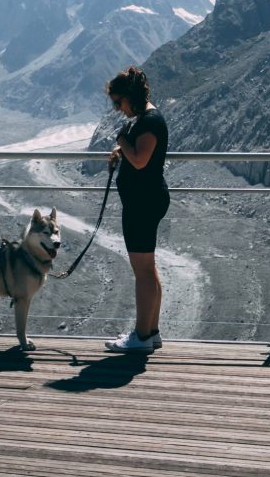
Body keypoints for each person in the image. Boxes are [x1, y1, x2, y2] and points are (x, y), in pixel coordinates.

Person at [104, 65, 170, 353]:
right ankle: (151, 331)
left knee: (142, 271)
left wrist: (120, 141)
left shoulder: (150, 121)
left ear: (130, 97)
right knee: (148, 268)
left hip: (143, 203)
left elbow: (141, 160)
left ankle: (141, 337)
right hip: (143, 201)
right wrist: (122, 149)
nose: (118, 109)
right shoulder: (144, 118)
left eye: (119, 102)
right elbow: (138, 153)